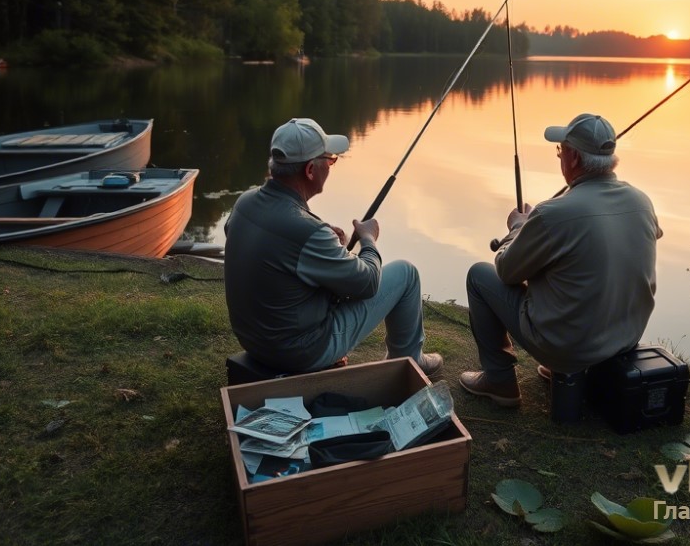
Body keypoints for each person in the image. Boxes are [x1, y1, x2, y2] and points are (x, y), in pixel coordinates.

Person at [459, 113, 662, 407]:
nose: (559, 157)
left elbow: (506, 271)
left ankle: (499, 381)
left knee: (479, 275)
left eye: (560, 150)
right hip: (624, 341)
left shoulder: (551, 214)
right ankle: (571, 364)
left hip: (568, 348)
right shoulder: (642, 201)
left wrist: (518, 228)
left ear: (575, 159)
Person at [224, 118, 443, 377]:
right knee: (406, 274)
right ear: (309, 170)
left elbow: (267, 244)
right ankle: (409, 361)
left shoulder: (244, 203)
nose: (331, 165)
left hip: (254, 341)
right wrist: (368, 239)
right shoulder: (308, 232)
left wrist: (324, 243)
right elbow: (369, 283)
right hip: (299, 351)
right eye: (329, 160)